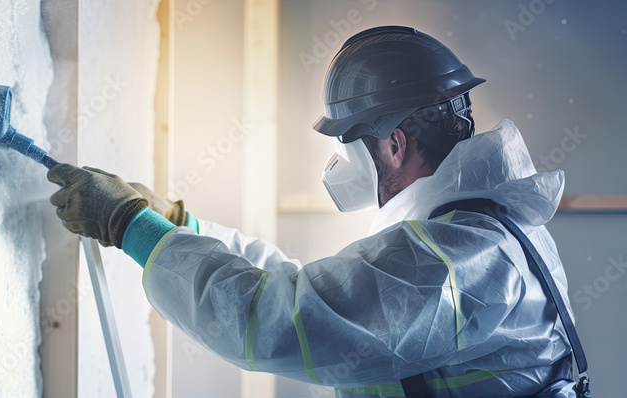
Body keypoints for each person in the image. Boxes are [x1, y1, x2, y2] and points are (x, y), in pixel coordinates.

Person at [47, 26, 588, 397]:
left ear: (395, 144)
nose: (340, 165)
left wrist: (132, 227)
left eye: (347, 147)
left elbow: (280, 320)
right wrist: (178, 225)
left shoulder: (453, 259)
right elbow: (311, 292)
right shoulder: (480, 233)